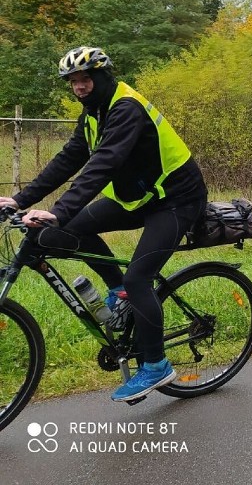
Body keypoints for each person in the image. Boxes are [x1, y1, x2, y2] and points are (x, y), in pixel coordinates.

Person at [0, 47, 207, 402]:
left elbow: (105, 164)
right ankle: (120, 294)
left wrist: (59, 210)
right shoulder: (94, 113)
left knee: (139, 277)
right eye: (73, 81)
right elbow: (68, 160)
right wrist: (20, 200)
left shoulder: (125, 108)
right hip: (139, 197)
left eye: (85, 78)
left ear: (103, 76)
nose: (79, 86)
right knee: (73, 232)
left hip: (176, 200)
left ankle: (156, 365)